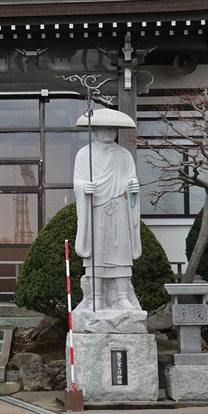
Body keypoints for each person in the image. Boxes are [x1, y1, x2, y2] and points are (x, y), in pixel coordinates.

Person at [74, 116, 142, 311]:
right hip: (96, 209)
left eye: (111, 129)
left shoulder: (124, 155)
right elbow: (77, 181)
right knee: (97, 253)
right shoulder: (84, 154)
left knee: (121, 252)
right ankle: (95, 298)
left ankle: (122, 297)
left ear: (116, 131)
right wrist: (83, 186)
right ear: (94, 131)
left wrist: (133, 186)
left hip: (119, 206)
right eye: (103, 129)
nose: (107, 133)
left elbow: (131, 180)